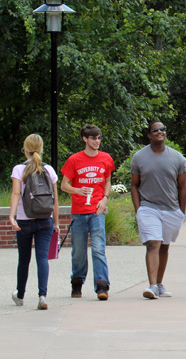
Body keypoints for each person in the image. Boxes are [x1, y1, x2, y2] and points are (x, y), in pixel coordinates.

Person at [131, 121, 186, 299]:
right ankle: (152, 285)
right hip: (148, 207)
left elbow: (182, 188)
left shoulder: (178, 158)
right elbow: (134, 185)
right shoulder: (139, 157)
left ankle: (160, 284)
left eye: (163, 129)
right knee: (153, 243)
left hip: (171, 209)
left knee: (164, 246)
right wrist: (138, 209)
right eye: (155, 130)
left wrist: (181, 213)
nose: (160, 131)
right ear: (149, 135)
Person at [60, 124, 114, 300]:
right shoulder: (74, 160)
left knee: (98, 249)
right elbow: (64, 185)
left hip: (97, 211)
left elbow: (107, 181)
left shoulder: (106, 158)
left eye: (99, 138)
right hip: (79, 212)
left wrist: (105, 198)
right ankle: (77, 281)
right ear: (85, 139)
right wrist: (77, 190)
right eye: (93, 138)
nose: (97, 141)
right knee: (79, 251)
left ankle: (101, 285)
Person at [8, 134, 59, 310]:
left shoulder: (19, 169)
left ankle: (20, 295)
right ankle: (42, 296)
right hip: (46, 219)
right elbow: (55, 200)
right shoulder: (49, 170)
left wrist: (12, 216)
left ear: (25, 148)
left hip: (24, 220)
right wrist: (57, 223)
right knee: (42, 258)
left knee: (24, 259)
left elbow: (15, 194)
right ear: (41, 148)